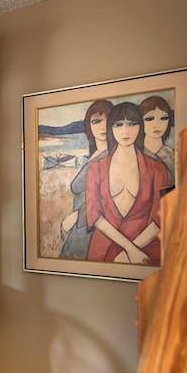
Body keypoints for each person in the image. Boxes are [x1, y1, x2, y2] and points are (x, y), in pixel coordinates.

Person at [85, 102, 169, 265]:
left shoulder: (159, 168)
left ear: (140, 127)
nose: (125, 131)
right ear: (111, 128)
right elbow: (93, 215)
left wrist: (132, 251)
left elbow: (162, 216)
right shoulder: (95, 168)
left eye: (132, 124)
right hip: (104, 249)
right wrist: (130, 249)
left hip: (147, 249)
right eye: (118, 125)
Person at [60, 100, 112, 259]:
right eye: (96, 121)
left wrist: (77, 215)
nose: (103, 126)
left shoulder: (113, 157)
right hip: (80, 228)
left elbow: (108, 196)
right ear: (88, 126)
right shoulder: (95, 155)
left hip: (96, 227)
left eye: (108, 120)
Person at [139, 95, 175, 186]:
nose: (157, 124)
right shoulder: (134, 154)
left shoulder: (174, 156)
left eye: (164, 118)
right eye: (149, 119)